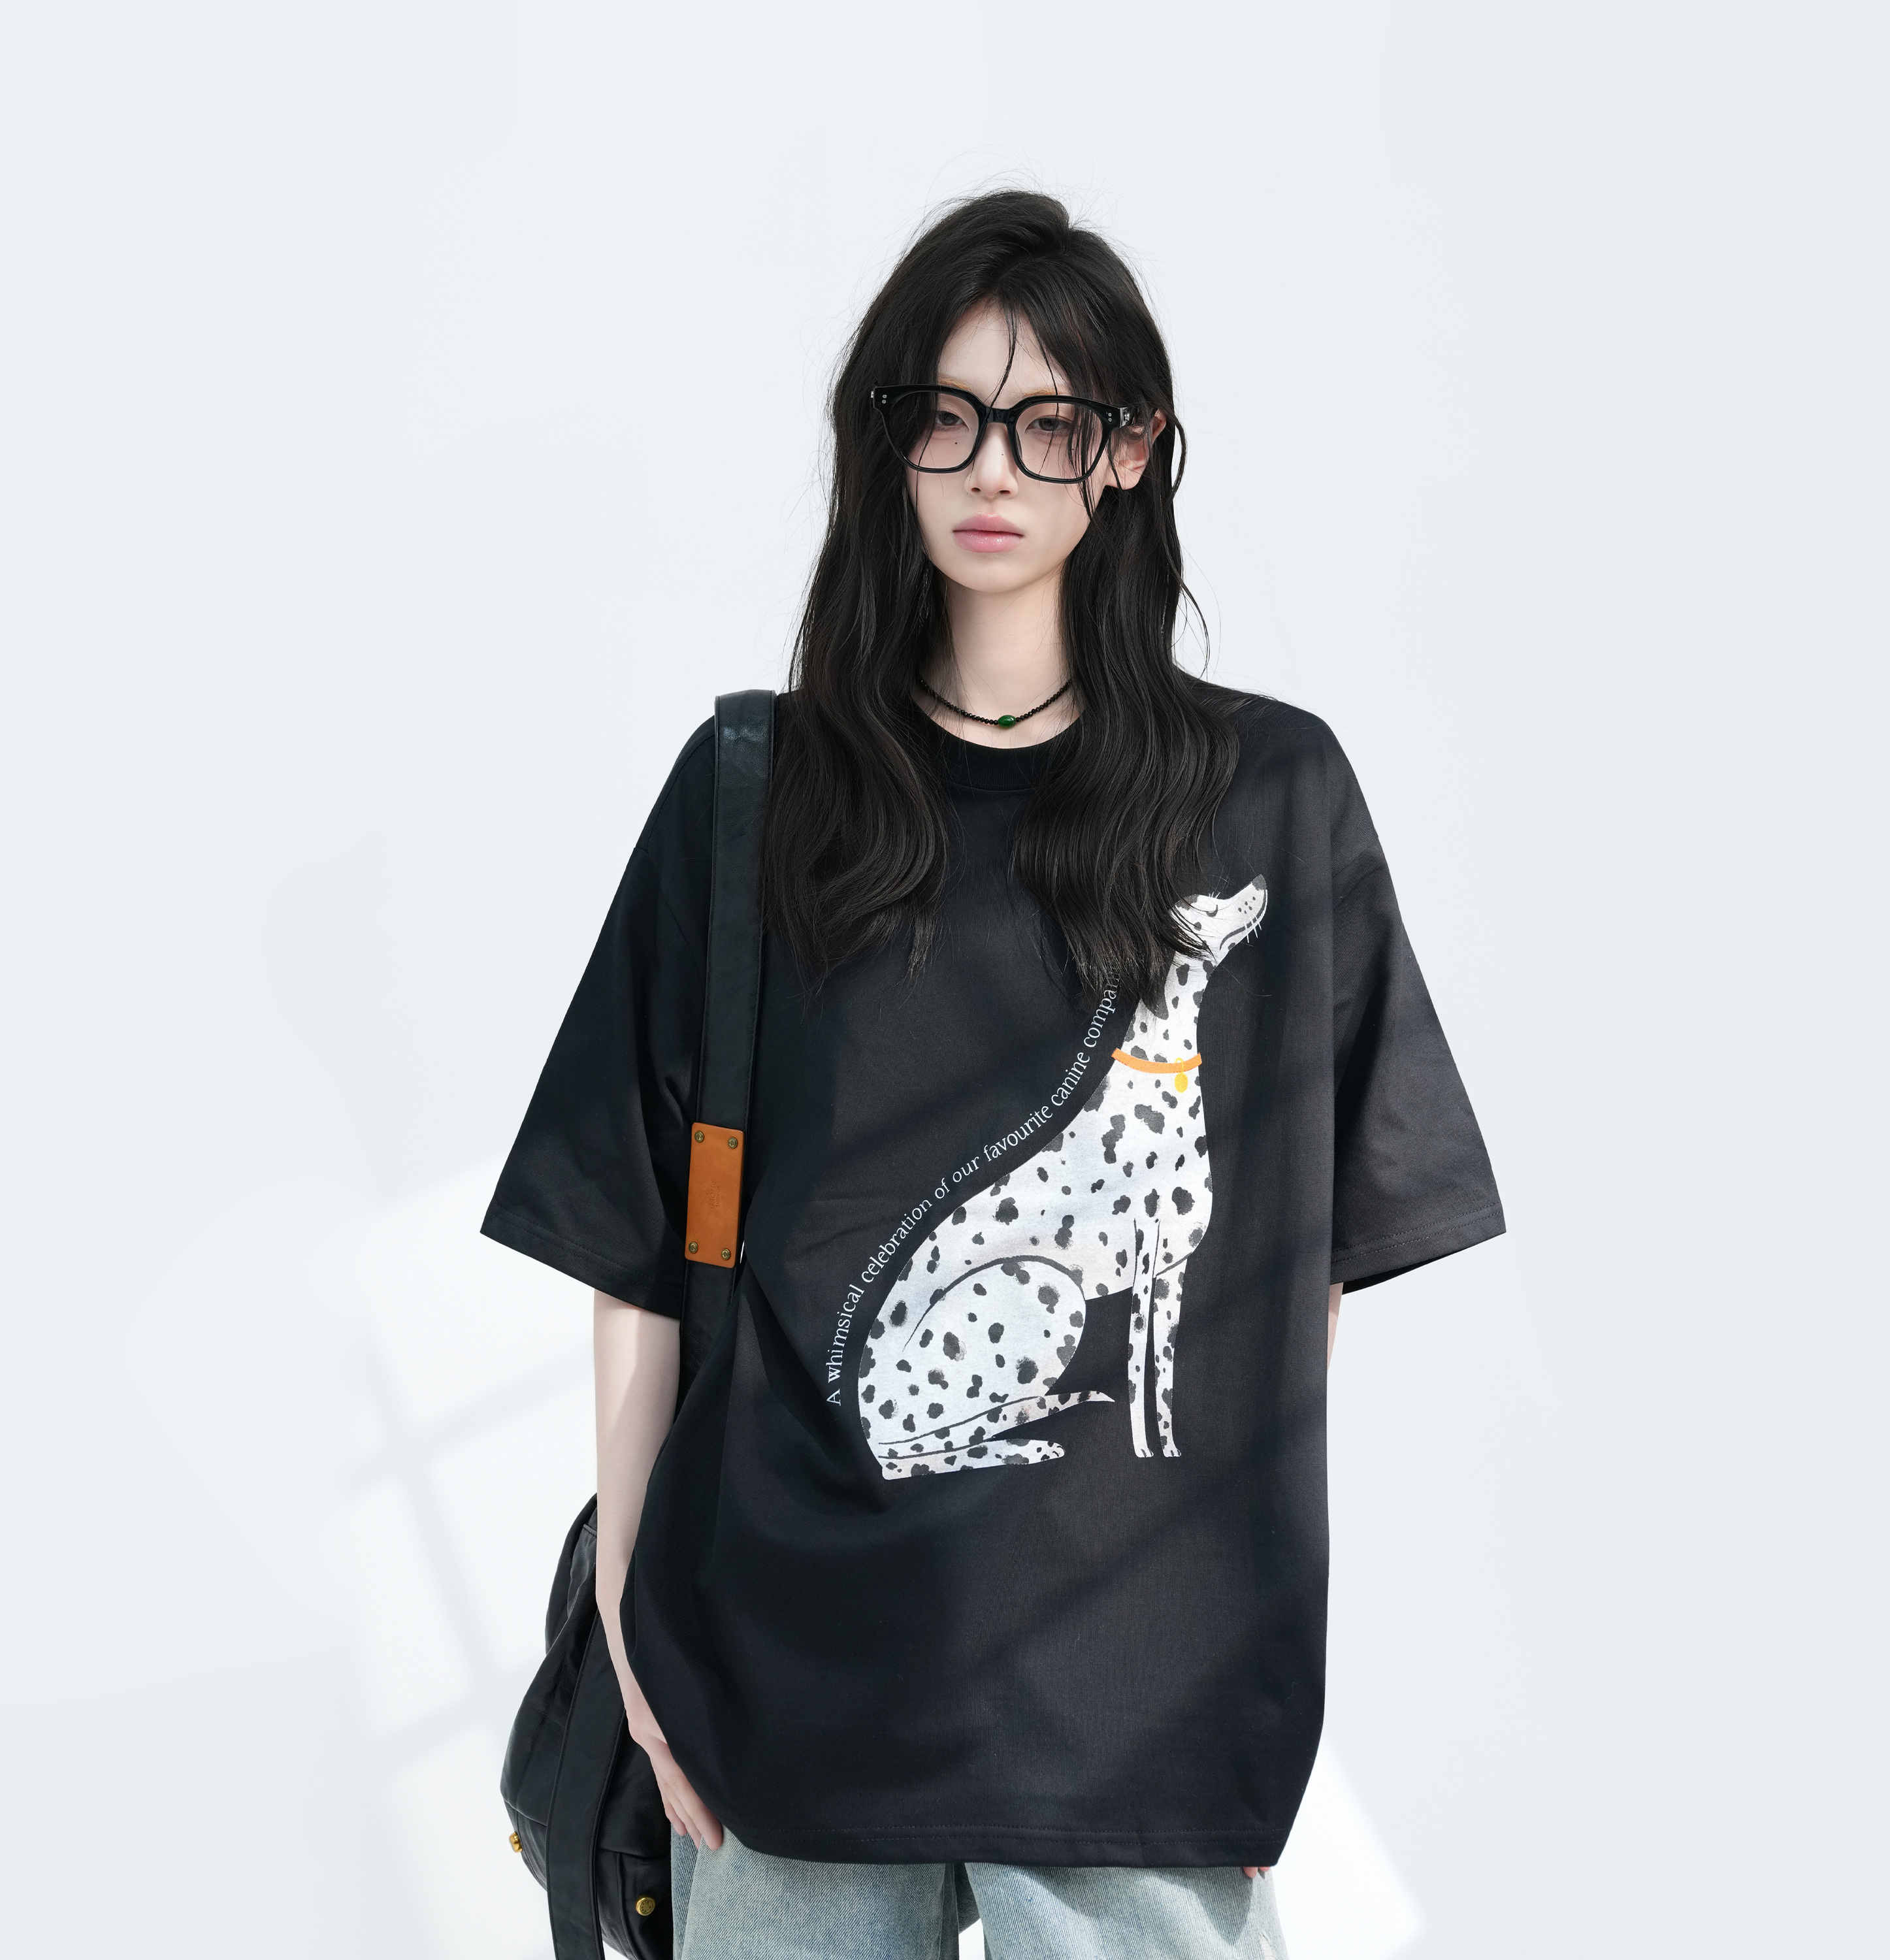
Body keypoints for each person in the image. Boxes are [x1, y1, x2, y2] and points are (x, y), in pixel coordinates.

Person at [483, 190, 1503, 1959]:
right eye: (943, 415)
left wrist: (1227, 1637)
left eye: (1049, 423)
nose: (992, 468)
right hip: (785, 1688)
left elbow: (1300, 1276)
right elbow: (633, 1250)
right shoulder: (756, 794)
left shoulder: (1272, 800)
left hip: (1138, 1708)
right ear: (882, 441)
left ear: (1134, 450)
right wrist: (640, 1632)